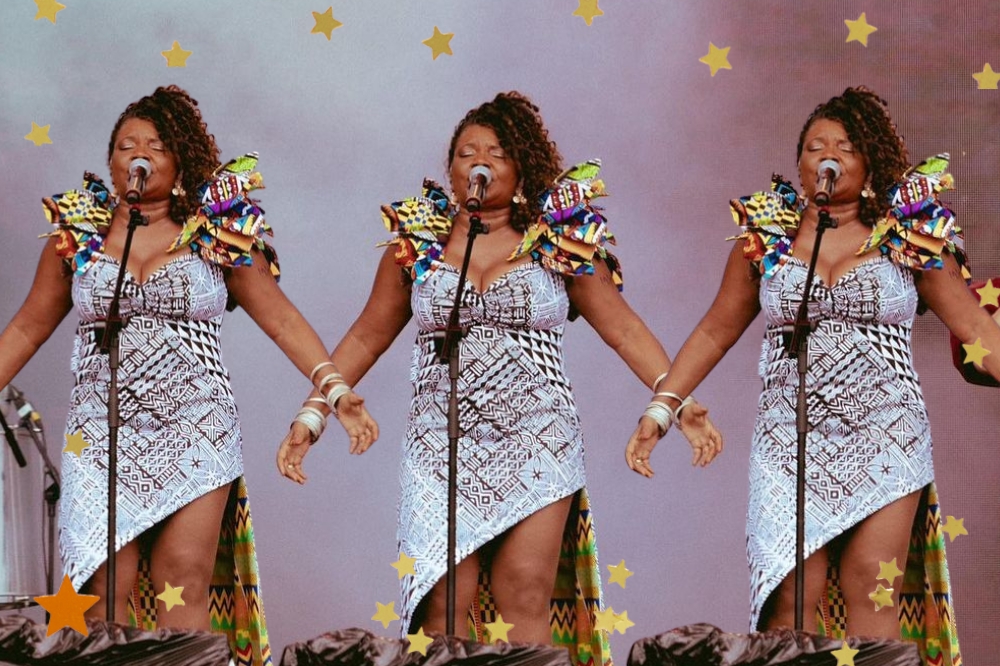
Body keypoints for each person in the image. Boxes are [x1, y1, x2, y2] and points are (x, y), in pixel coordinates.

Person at [276, 91, 722, 664]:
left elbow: (625, 331)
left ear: (522, 168)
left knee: (525, 596)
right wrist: (315, 412)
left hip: (536, 441)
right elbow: (366, 336)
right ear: (451, 168)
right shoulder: (416, 248)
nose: (479, 163)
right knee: (440, 608)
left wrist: (674, 404)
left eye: (496, 153)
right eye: (466, 154)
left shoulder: (560, 243)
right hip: (440, 446)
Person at [0, 85, 376, 665]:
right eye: (125, 145)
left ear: (179, 163)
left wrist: (334, 392)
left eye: (154, 145)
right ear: (112, 162)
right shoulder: (77, 238)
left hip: (195, 432)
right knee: (99, 590)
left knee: (182, 580)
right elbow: (27, 328)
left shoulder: (216, 234)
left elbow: (280, 319)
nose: (138, 154)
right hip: (99, 436)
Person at [626, 87, 1000, 665]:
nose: (827, 156)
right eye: (814, 146)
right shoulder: (766, 240)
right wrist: (662, 407)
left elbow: (976, 328)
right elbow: (715, 330)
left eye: (844, 148)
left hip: (885, 436)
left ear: (869, 163)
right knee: (786, 604)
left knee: (871, 594)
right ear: (800, 163)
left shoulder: (910, 235)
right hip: (788, 442)